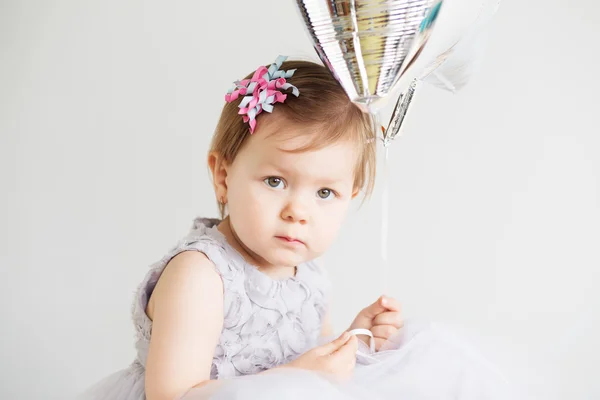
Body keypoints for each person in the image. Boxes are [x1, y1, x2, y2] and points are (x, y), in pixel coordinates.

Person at [78, 56, 517, 400]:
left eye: (325, 193)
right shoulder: (201, 276)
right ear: (223, 174)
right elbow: (173, 395)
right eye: (275, 181)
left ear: (353, 194)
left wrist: (352, 342)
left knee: (436, 359)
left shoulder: (309, 277)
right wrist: (295, 378)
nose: (298, 212)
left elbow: (310, 365)